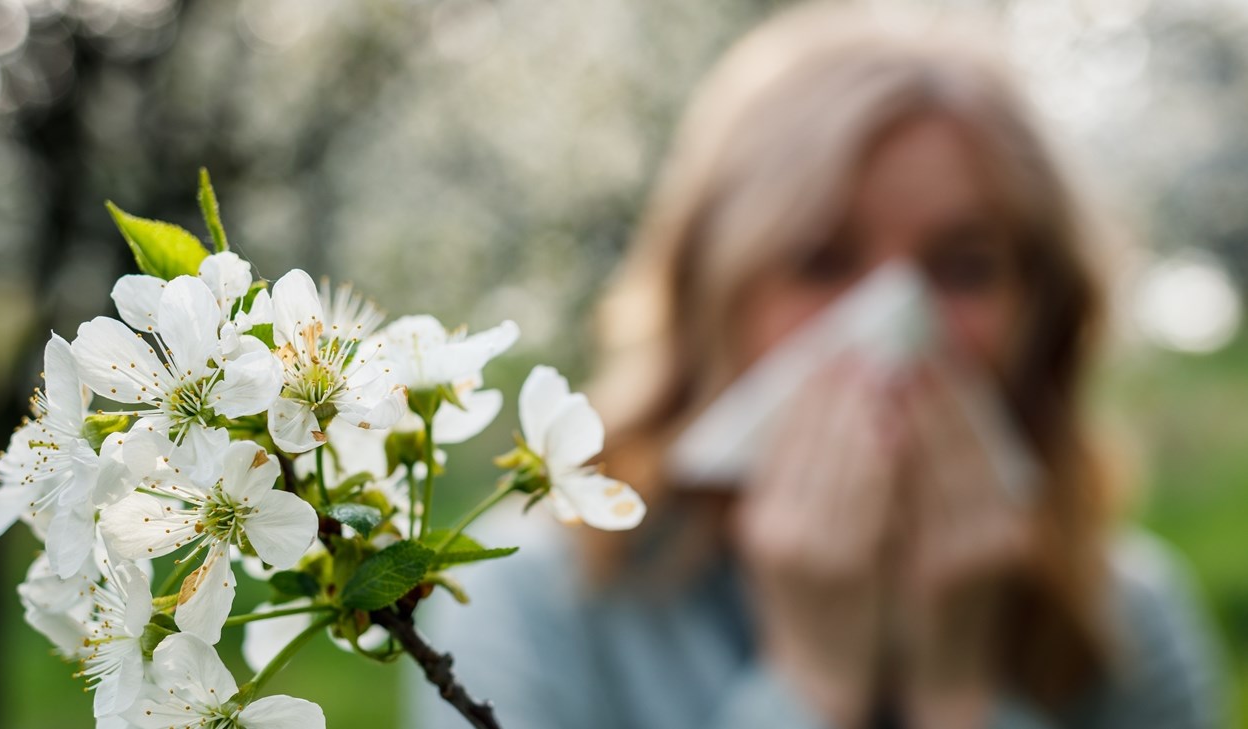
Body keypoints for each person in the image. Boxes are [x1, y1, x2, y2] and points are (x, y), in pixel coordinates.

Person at [414, 3, 1226, 727]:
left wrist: (958, 694)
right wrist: (812, 678)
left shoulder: (1129, 623)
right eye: (822, 259)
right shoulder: (534, 603)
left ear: (1041, 309)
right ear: (712, 292)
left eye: (965, 266)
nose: (894, 325)